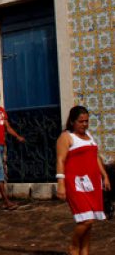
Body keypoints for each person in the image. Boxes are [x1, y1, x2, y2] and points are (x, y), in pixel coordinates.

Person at [56, 105, 111, 255]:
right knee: (87, 220)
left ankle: (84, 250)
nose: (84, 124)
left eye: (86, 121)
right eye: (81, 121)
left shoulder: (89, 136)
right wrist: (61, 183)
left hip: (92, 183)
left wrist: (104, 176)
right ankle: (74, 246)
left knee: (88, 221)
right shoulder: (66, 137)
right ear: (73, 121)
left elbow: (96, 157)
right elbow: (60, 160)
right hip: (75, 183)